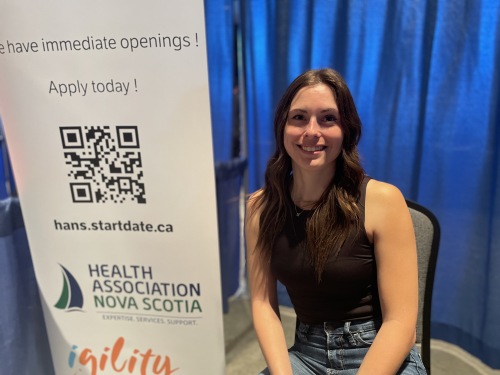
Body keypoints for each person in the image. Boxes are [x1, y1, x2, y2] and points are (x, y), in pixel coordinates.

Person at [245, 68, 427, 375]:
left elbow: (401, 324)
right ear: (282, 128)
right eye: (299, 117)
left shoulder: (383, 200)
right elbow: (263, 304)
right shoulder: (260, 207)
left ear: (346, 130)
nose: (311, 131)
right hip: (305, 354)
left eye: (328, 118)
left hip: (379, 353)